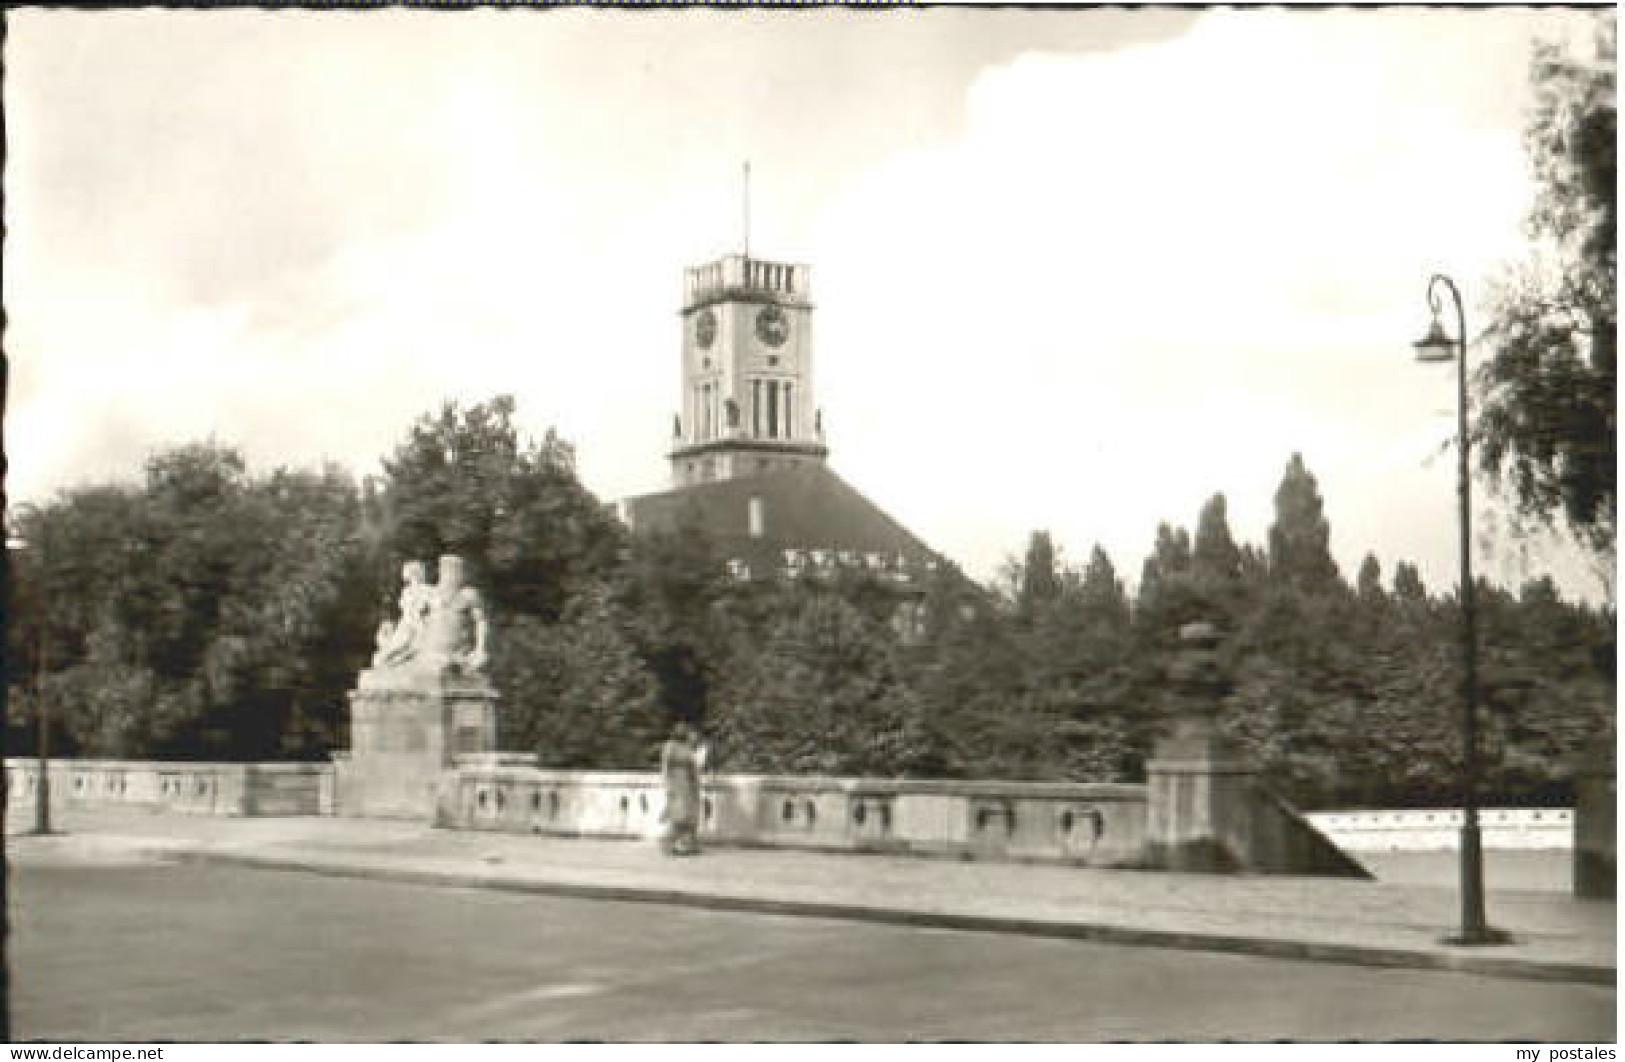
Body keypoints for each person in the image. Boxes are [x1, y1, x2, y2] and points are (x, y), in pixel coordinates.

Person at [660, 722, 703, 856]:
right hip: (676, 781)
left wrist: (695, 783)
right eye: (681, 730)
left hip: (688, 782)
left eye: (684, 730)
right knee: (678, 814)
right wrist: (667, 785)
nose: (683, 732)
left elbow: (693, 766)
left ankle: (688, 845)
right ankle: (669, 844)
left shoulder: (688, 747)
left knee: (690, 814)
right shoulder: (670, 746)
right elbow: (665, 766)